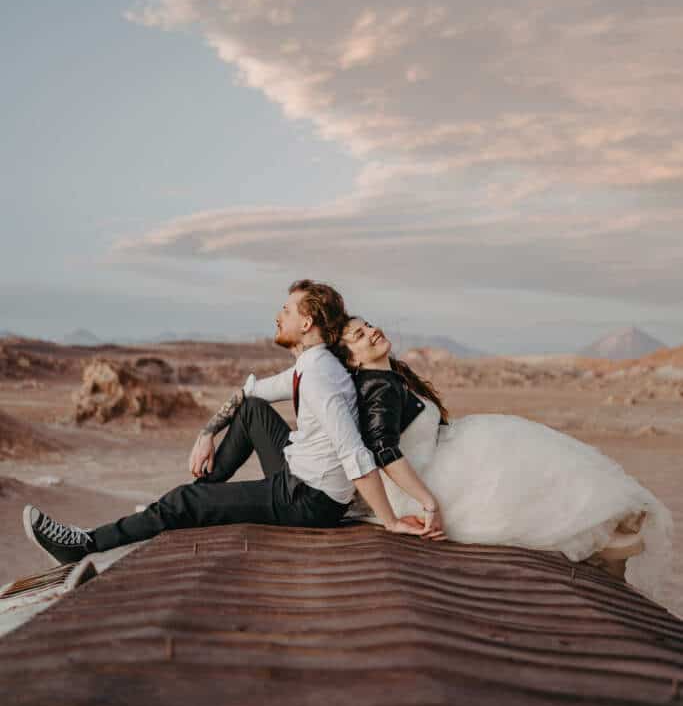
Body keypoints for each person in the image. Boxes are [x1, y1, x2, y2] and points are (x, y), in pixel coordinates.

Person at [23, 281, 444, 566]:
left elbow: (356, 453)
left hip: (307, 500)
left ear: (307, 323)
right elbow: (250, 393)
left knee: (184, 505)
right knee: (251, 414)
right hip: (299, 476)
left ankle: (84, 545)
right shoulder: (309, 365)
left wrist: (389, 521)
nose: (278, 316)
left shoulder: (320, 377)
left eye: (286, 310)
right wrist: (207, 433)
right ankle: (185, 504)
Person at [334, 316, 677, 613]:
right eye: (359, 335)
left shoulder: (387, 379)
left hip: (450, 455)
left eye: (367, 325)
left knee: (535, 457)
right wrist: (427, 501)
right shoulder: (378, 388)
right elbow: (383, 450)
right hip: (434, 479)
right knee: (532, 475)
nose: (371, 331)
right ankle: (608, 547)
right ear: (352, 359)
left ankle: (610, 542)